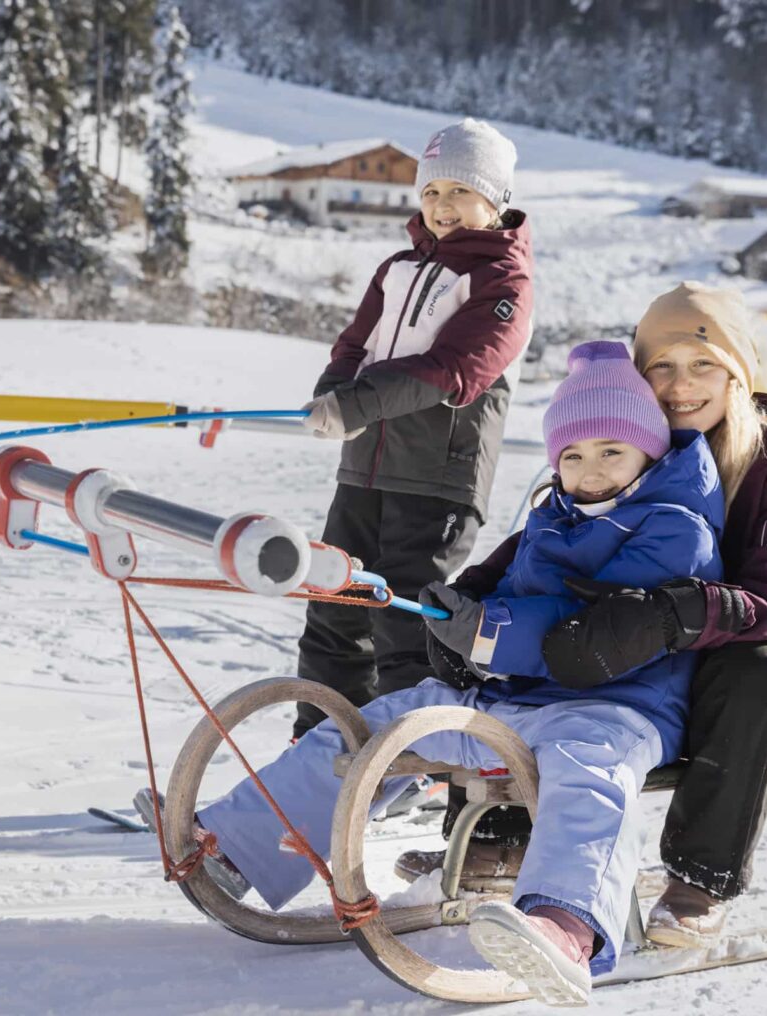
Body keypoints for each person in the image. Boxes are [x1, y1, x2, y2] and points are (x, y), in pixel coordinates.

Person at [193, 341, 724, 1006]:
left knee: (589, 774)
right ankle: (239, 847)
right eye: (573, 456)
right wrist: (457, 622)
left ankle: (565, 926)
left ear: (648, 451)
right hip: (515, 698)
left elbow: (595, 631)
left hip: (619, 704)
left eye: (611, 452)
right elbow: (514, 598)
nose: (589, 472)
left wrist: (488, 631)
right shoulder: (552, 514)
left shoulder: (678, 527)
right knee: (381, 722)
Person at [395, 283, 767, 949]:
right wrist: (474, 594)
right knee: (516, 631)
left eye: (703, 364)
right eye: (662, 367)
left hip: (719, 653)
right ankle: (494, 837)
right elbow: (551, 535)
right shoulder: (625, 444)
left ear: (739, 372)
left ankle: (696, 878)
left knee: (754, 672)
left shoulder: (761, 466)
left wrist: (680, 612)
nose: (681, 386)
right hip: (608, 638)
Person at [293, 118, 533, 741]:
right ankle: (319, 749)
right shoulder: (397, 267)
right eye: (431, 193)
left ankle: (412, 758)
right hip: (365, 469)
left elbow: (453, 368)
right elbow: (355, 344)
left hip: (437, 480)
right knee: (333, 605)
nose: (442, 206)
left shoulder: (503, 281)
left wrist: (358, 404)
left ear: (495, 199)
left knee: (402, 619)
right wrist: (332, 394)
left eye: (459, 192)